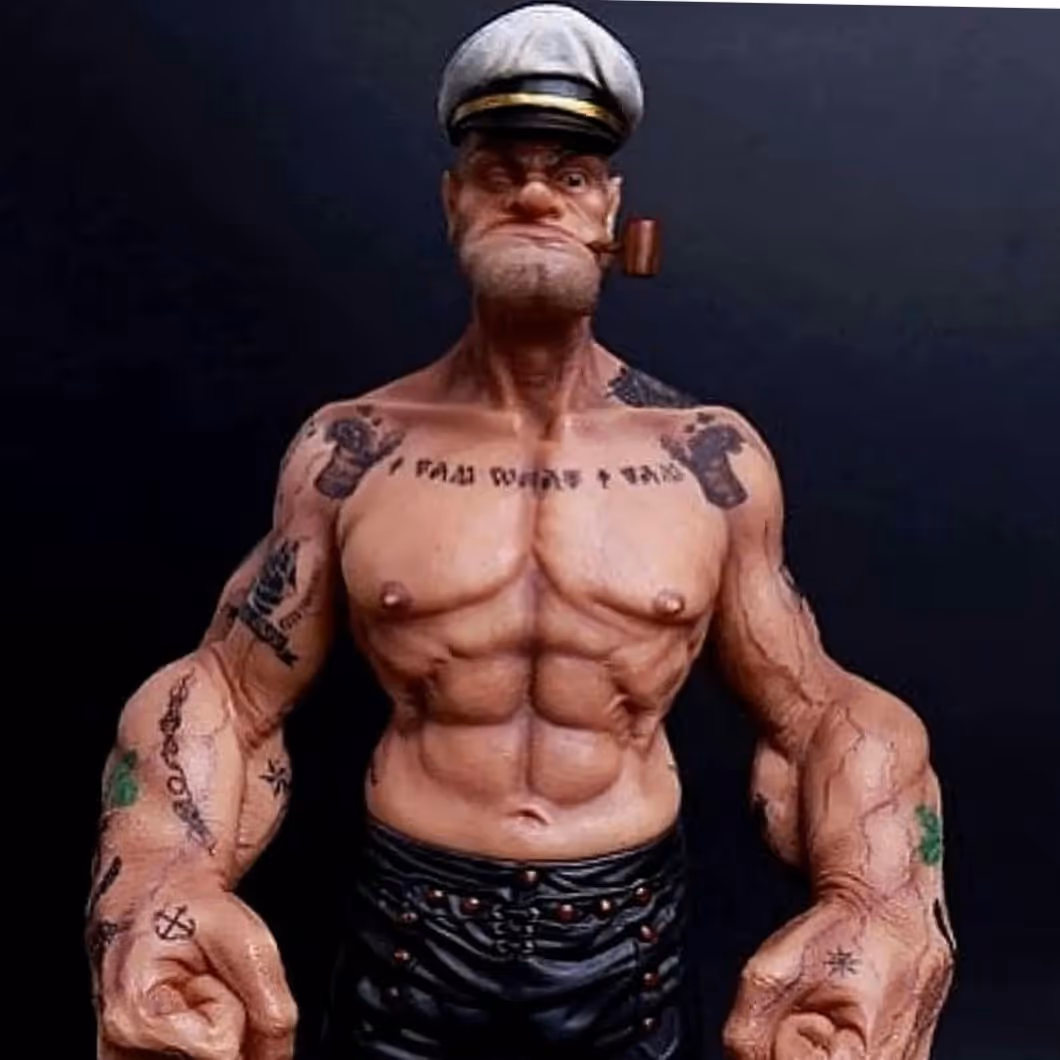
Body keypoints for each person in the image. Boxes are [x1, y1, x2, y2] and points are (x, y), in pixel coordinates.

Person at [86, 6, 956, 1059]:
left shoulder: (709, 459)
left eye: (572, 174)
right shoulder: (351, 447)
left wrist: (884, 899)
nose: (536, 196)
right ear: (453, 202)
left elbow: (820, 711)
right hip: (411, 930)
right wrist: (158, 877)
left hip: (624, 936)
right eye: (499, 172)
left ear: (610, 211)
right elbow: (228, 691)